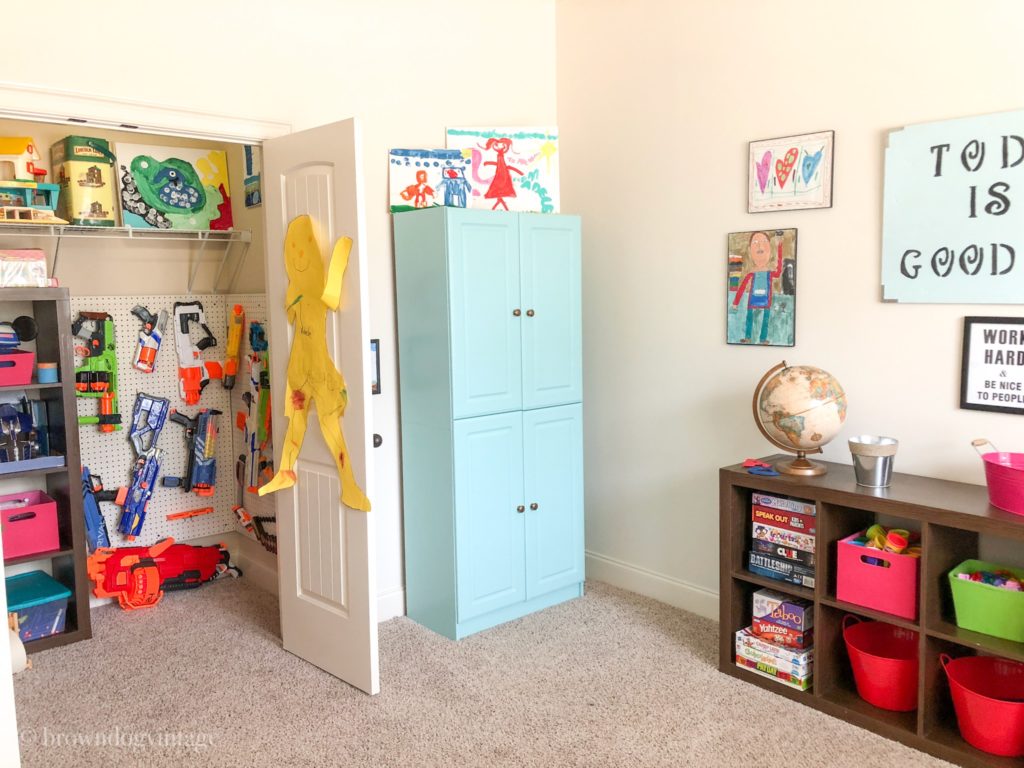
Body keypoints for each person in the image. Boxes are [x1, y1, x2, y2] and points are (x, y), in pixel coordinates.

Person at [732, 231, 784, 344]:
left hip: (766, 300)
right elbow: (741, 288)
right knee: (749, 319)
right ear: (750, 251)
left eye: (764, 242)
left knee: (765, 320)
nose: (760, 246)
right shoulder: (751, 274)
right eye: (755, 243)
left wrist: (780, 247)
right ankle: (748, 337)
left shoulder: (770, 273)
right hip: (753, 300)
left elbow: (779, 271)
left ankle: (763, 339)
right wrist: (735, 302)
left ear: (770, 250)